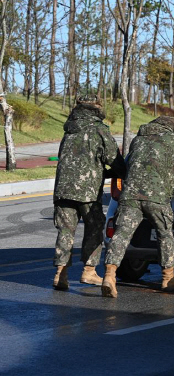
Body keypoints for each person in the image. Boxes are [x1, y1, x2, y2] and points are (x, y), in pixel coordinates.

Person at [101, 116, 174, 298]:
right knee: (164, 235)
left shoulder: (138, 139)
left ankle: (109, 275)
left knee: (121, 234)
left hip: (130, 195)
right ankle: (168, 278)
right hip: (157, 197)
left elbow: (127, 164)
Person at [52, 96, 126, 291]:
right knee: (95, 226)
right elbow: (114, 159)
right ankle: (89, 270)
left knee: (65, 231)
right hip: (88, 191)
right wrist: (124, 173)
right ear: (97, 108)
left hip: (63, 188)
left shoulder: (69, 130)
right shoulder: (99, 130)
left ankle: (61, 273)